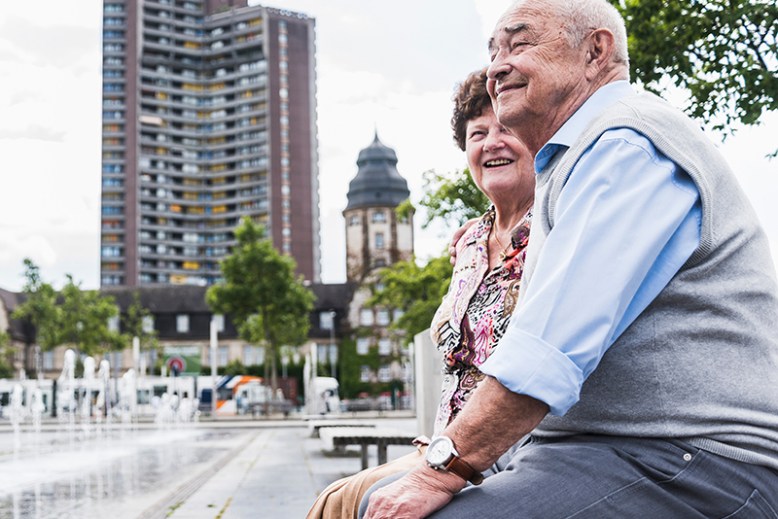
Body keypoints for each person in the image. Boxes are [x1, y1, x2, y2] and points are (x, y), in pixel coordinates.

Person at [363, 0, 778, 517]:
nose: (496, 67)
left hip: (697, 462)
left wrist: (440, 469)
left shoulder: (628, 146)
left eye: (520, 44)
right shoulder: (574, 161)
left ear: (595, 51)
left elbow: (548, 350)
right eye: (492, 51)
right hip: (597, 450)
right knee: (367, 502)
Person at [306, 67, 535, 519]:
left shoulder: (558, 226)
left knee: (373, 504)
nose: (492, 142)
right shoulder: (470, 244)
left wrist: (446, 463)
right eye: (478, 133)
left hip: (504, 449)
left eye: (507, 128)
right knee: (333, 500)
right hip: (446, 446)